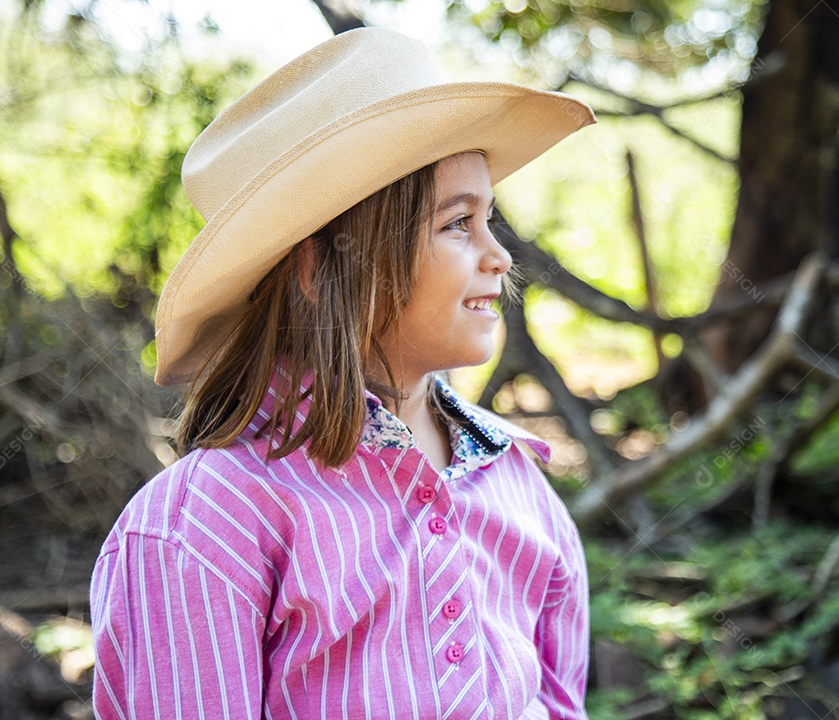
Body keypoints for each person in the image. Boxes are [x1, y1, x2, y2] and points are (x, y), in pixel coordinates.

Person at [90, 27, 595, 720]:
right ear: (320, 269)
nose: (499, 257)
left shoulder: (519, 489)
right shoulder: (204, 527)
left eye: (491, 219)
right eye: (457, 224)